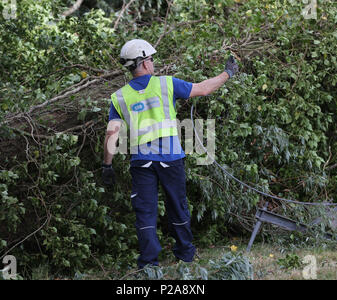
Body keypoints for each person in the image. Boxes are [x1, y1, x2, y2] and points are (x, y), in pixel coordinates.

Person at [102, 39, 239, 269]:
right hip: (170, 160)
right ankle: (185, 257)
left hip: (141, 162)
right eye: (151, 59)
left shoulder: (120, 97)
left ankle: (148, 265)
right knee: (177, 206)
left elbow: (111, 134)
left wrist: (107, 165)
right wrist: (227, 73)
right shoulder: (166, 84)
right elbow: (203, 88)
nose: (153, 63)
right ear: (144, 63)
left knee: (145, 212)